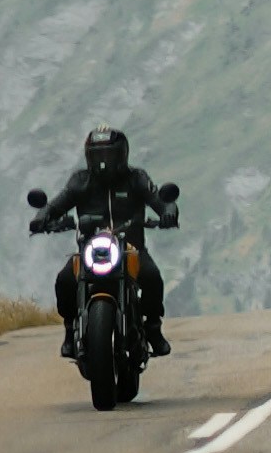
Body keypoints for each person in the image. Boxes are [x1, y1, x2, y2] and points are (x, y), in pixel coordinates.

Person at [31, 123, 173, 356]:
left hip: (130, 248)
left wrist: (168, 212)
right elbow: (58, 203)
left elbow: (158, 199)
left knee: (151, 276)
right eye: (97, 155)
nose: (103, 161)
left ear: (122, 154)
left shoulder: (136, 178)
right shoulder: (80, 181)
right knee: (65, 279)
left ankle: (153, 328)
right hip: (91, 249)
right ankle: (70, 330)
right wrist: (42, 217)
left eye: (108, 154)